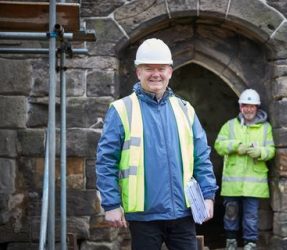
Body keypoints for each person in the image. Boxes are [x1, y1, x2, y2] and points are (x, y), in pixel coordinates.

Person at [96, 38, 218, 250]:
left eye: (161, 68)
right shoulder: (121, 110)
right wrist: (111, 204)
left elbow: (201, 158)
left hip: (183, 212)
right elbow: (106, 161)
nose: (156, 74)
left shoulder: (186, 109)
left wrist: (208, 196)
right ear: (138, 72)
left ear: (170, 71)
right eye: (148, 68)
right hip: (144, 216)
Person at [214, 89, 275, 250]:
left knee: (251, 216)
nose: (248, 109)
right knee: (231, 212)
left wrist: (260, 152)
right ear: (240, 107)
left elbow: (271, 150)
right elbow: (218, 145)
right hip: (232, 182)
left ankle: (250, 243)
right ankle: (231, 241)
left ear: (257, 107)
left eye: (252, 106)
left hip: (254, 184)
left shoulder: (265, 128)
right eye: (245, 106)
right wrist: (236, 146)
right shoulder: (230, 126)